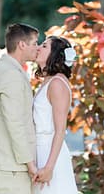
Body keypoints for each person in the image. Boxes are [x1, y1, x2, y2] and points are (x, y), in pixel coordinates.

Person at [0, 23, 39, 194]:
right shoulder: (10, 74)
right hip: (10, 166)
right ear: (22, 44)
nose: (37, 48)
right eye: (35, 43)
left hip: (8, 165)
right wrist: (30, 164)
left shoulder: (7, 69)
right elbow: (15, 123)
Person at [33, 36, 78, 193]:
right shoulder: (48, 81)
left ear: (55, 55)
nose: (38, 47)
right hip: (40, 152)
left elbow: (60, 130)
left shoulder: (57, 83)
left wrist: (49, 167)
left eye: (44, 46)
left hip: (50, 155)